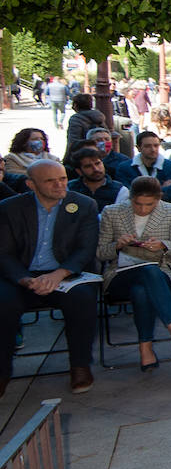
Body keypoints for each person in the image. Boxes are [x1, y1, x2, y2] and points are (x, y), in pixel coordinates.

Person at [0, 161, 100, 395]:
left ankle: (80, 366)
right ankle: (2, 371)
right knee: (2, 304)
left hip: (65, 274)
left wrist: (58, 275)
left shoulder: (83, 205)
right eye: (50, 180)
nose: (59, 185)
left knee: (83, 299)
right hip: (22, 276)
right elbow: (3, 254)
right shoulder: (9, 208)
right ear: (30, 184)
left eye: (63, 178)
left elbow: (85, 250)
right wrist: (25, 280)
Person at [96, 176, 171, 370]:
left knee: (142, 288)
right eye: (138, 204)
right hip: (121, 274)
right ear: (130, 198)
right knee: (146, 271)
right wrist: (117, 245)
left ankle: (146, 349)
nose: (143, 209)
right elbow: (101, 253)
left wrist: (163, 245)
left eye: (149, 204)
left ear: (159, 198)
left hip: (161, 272)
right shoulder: (112, 213)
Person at [116, 130, 171, 204]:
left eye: (156, 145)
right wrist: (161, 189)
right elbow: (126, 193)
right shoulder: (124, 168)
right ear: (138, 148)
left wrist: (140, 192)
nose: (153, 149)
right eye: (148, 146)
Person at [68, 146, 129, 211]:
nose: (95, 169)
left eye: (97, 163)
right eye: (88, 166)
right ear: (79, 171)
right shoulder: (70, 189)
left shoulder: (120, 190)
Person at [65, 93, 108, 161]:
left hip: (83, 155)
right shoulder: (98, 117)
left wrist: (67, 159)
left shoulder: (76, 119)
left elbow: (73, 141)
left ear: (76, 105)